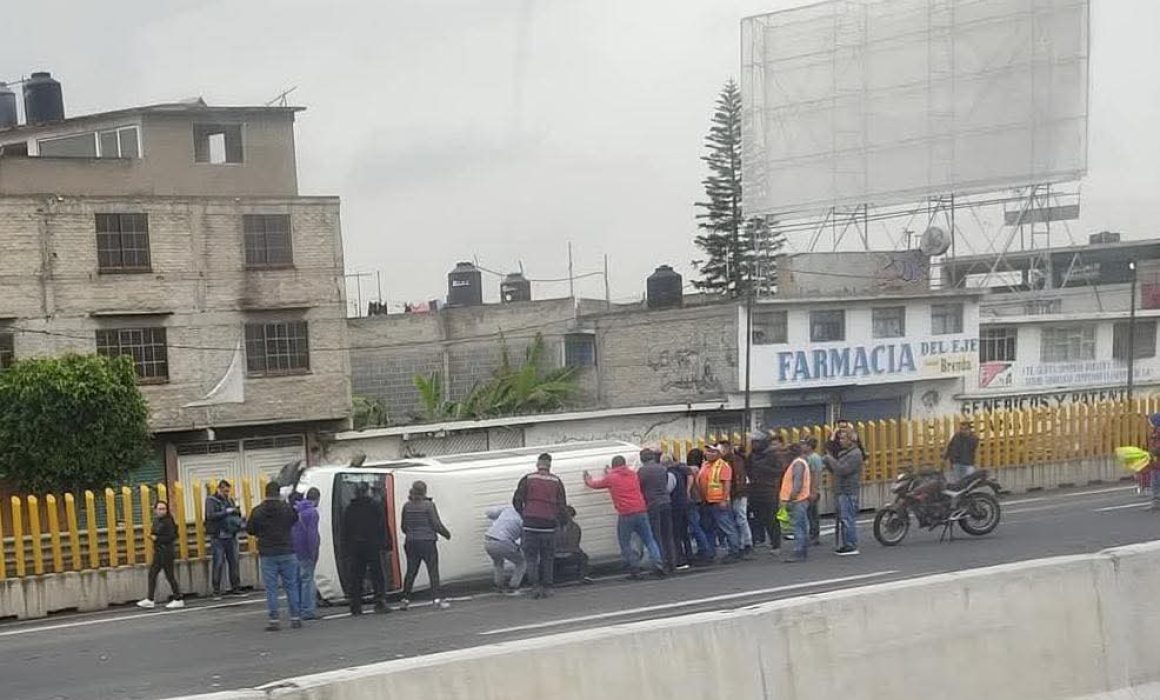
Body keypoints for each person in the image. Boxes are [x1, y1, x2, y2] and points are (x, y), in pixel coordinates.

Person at [584, 455, 666, 578]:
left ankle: (634, 568)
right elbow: (620, 476)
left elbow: (595, 484)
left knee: (625, 543)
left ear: (613, 466)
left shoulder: (611, 478)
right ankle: (658, 564)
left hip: (626, 514)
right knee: (649, 539)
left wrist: (587, 479)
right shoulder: (633, 475)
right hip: (641, 511)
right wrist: (610, 473)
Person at [513, 453, 568, 599]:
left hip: (530, 524)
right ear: (549, 465)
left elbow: (516, 500)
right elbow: (562, 505)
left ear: (538, 464)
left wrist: (523, 514)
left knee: (531, 558)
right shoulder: (556, 481)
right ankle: (548, 587)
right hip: (548, 526)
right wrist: (563, 523)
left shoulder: (528, 479)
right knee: (548, 557)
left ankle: (535, 587)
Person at [247, 481, 301, 631]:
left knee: (271, 589)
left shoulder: (257, 511)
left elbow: (250, 529)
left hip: (267, 553)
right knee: (291, 586)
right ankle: (295, 618)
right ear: (278, 493)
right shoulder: (286, 508)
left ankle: (274, 620)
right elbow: (295, 519)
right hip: (287, 551)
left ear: (265, 493)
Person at [399, 481, 452, 610]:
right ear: (424, 491)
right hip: (427, 542)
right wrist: (446, 534)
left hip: (411, 542)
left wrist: (412, 533)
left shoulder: (406, 506)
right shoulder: (429, 505)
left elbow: (404, 527)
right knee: (433, 571)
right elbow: (436, 524)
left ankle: (405, 600)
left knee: (411, 571)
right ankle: (436, 599)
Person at [341, 482, 389, 615]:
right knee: (377, 574)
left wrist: (346, 547)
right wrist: (385, 543)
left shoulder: (350, 508)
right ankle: (379, 602)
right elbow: (381, 526)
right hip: (372, 544)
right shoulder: (374, 506)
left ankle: (355, 605)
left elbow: (345, 530)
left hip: (355, 546)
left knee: (356, 576)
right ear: (367, 491)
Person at [697, 444, 740, 562]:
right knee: (708, 528)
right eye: (708, 452)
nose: (709, 454)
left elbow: (727, 484)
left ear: (719, 454)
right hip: (707, 502)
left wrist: (724, 500)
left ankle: (734, 551)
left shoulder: (723, 466)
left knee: (727, 527)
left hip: (718, 502)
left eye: (713, 452)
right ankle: (710, 553)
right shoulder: (705, 465)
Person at [137, 500, 184, 610]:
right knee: (152, 574)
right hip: (158, 551)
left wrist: (157, 538)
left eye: (164, 509)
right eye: (160, 509)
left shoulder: (168, 521)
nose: (162, 511)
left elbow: (172, 536)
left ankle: (178, 598)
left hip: (166, 551)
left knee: (169, 575)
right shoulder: (157, 521)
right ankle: (150, 599)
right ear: (155, 510)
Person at [637, 448, 677, 573]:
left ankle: (662, 562)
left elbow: (639, 487)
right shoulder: (662, 468)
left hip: (652, 504)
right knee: (668, 534)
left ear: (642, 459)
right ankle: (672, 562)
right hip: (666, 502)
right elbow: (665, 483)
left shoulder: (641, 471)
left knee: (656, 535)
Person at [827, 429, 864, 556]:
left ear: (850, 440)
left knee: (848, 518)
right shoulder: (845, 453)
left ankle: (851, 545)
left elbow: (842, 470)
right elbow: (835, 469)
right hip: (841, 489)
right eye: (840, 438)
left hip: (848, 490)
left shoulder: (855, 454)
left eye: (843, 439)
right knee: (843, 518)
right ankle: (846, 543)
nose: (840, 441)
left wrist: (830, 460)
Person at [205, 480, 244, 599]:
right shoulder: (211, 500)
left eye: (228, 491)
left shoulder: (230, 500)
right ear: (219, 489)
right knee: (218, 563)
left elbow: (237, 514)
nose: (227, 493)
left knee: (234, 562)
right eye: (225, 491)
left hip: (230, 535)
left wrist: (236, 510)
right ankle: (216, 590)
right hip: (218, 536)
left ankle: (235, 587)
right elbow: (210, 516)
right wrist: (225, 512)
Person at [746, 433, 782, 554]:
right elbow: (748, 471)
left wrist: (763, 468)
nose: (754, 445)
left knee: (771, 518)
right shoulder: (751, 456)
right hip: (755, 490)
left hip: (769, 490)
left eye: (757, 442)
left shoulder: (773, 456)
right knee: (757, 518)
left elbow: (779, 471)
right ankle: (759, 540)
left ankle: (776, 544)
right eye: (753, 443)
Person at [779, 442, 812, 563]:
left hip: (798, 500)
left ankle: (799, 551)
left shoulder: (797, 464)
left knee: (798, 527)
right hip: (801, 499)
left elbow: (797, 483)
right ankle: (802, 550)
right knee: (802, 526)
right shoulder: (801, 462)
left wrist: (791, 499)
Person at [291, 487, 321, 620]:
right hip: (306, 551)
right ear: (317, 498)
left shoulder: (296, 510)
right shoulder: (312, 513)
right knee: (308, 581)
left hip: (294, 550)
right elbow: (312, 535)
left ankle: (297, 610)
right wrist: (314, 551)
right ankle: (308, 611)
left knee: (296, 581)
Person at [720, 440, 753, 556]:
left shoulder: (734, 460)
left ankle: (747, 542)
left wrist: (737, 493)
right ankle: (742, 542)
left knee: (741, 518)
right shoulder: (726, 461)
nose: (721, 451)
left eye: (722, 449)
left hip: (738, 494)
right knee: (737, 518)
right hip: (735, 493)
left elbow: (739, 478)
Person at [484, 504, 526, 594]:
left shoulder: (509, 509)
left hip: (488, 539)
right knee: (521, 562)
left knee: (498, 563)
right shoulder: (524, 521)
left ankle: (498, 585)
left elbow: (489, 513)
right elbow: (524, 541)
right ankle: (513, 586)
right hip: (502, 541)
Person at [683, 448, 714, 565]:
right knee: (707, 527)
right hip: (705, 499)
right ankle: (710, 549)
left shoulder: (691, 470)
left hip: (694, 500)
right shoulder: (705, 468)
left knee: (696, 526)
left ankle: (704, 550)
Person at [553, 506, 592, 584]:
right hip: (557, 555)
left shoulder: (575, 527)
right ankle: (551, 579)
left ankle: (583, 577)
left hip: (565, 554)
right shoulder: (553, 527)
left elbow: (574, 544)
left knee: (583, 557)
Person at [802, 437, 825, 545]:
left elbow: (816, 475)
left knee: (812, 514)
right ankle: (811, 534)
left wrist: (813, 491)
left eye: (804, 444)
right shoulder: (806, 457)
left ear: (810, 446)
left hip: (812, 489)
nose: (802, 446)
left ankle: (814, 535)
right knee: (809, 513)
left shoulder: (814, 458)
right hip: (807, 489)